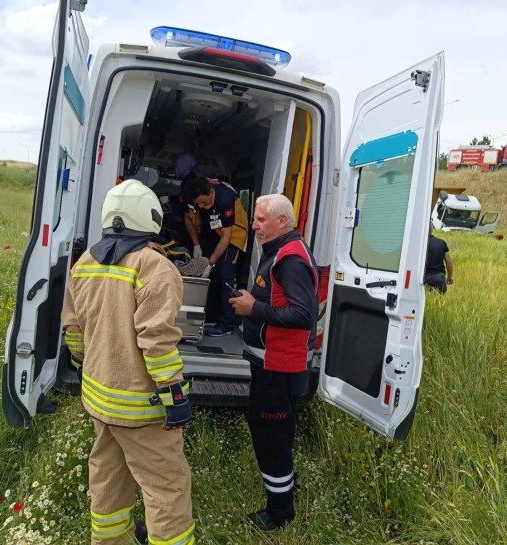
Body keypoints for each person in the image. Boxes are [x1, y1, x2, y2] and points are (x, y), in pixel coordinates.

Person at [61, 179, 195, 545]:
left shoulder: (85, 262)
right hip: (141, 408)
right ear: (149, 217)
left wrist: (89, 363)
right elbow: (156, 342)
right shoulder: (154, 266)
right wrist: (174, 396)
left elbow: (73, 331)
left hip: (99, 401)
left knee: (107, 476)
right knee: (167, 487)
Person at [229, 194, 319, 531]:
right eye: (255, 218)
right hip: (269, 365)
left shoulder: (290, 259)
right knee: (273, 433)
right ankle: (285, 487)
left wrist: (255, 309)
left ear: (282, 221)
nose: (253, 225)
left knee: (271, 438)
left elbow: (303, 315)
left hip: (279, 368)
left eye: (261, 219)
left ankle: (279, 512)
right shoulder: (280, 252)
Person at [182, 175, 249, 337]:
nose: (201, 206)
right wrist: (196, 245)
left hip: (232, 234)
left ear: (211, 192)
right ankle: (206, 316)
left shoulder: (224, 199)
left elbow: (226, 237)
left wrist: (210, 264)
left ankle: (226, 323)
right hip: (213, 231)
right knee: (200, 272)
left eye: (204, 203)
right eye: (198, 203)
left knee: (226, 275)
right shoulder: (192, 191)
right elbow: (188, 218)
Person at [424, 225, 454, 293]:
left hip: (422, 277)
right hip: (438, 277)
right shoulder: (441, 243)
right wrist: (450, 277)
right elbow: (448, 261)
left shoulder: (418, 243)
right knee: (440, 301)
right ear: (432, 230)